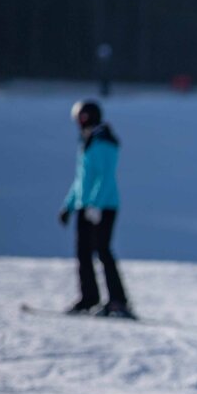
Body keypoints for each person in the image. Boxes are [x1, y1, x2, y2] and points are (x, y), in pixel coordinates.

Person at [60, 99, 132, 317]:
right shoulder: (87, 142)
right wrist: (69, 205)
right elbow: (82, 179)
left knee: (102, 250)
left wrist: (96, 206)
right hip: (86, 206)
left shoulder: (104, 142)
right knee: (83, 253)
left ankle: (118, 300)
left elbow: (105, 177)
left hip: (104, 206)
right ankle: (89, 297)